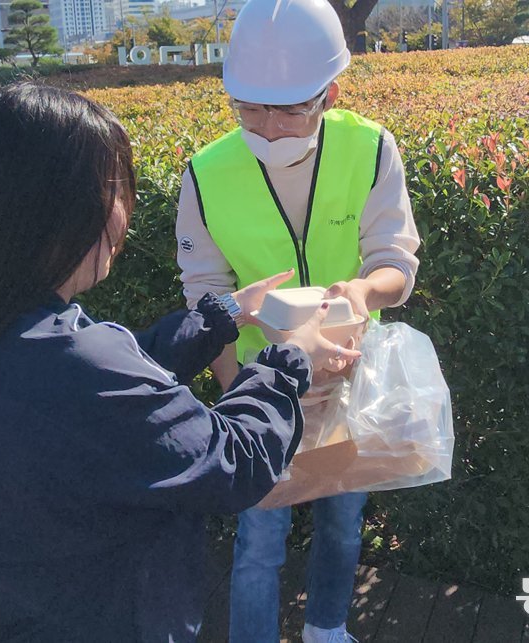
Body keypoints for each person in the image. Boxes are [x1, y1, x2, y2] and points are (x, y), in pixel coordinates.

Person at [0, 83, 360, 642]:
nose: (125, 214)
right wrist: (292, 361)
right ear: (59, 209)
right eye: (114, 189)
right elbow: (233, 463)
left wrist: (222, 315)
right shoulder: (76, 363)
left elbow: (114, 387)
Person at [175, 0, 421, 641]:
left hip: (345, 374)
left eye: (288, 108)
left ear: (330, 91)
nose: (268, 125)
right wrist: (235, 390)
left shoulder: (369, 148)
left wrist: (367, 290)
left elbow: (395, 258)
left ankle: (326, 629)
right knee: (260, 534)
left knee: (344, 518)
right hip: (259, 384)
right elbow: (205, 290)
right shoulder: (206, 172)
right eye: (249, 108)